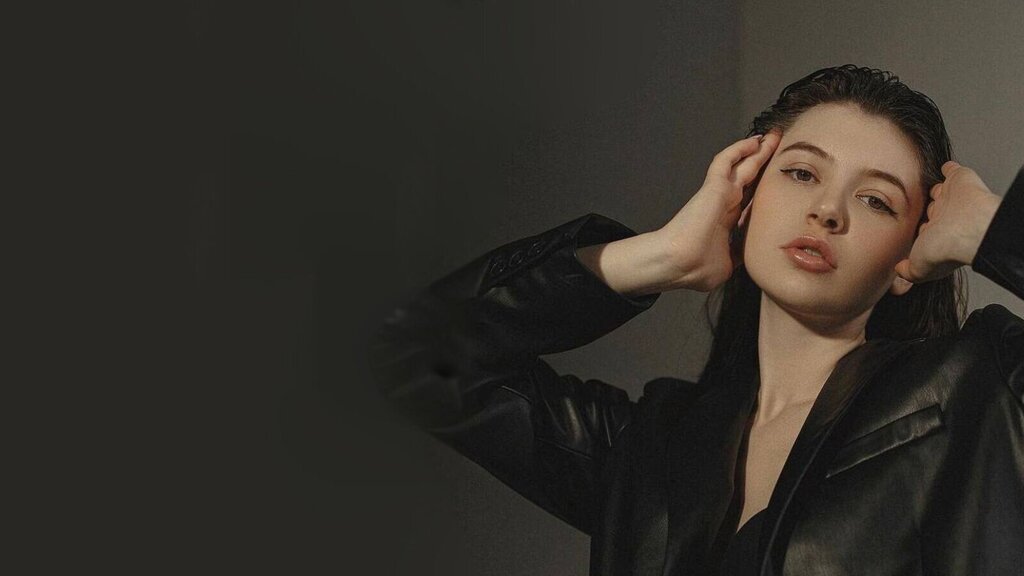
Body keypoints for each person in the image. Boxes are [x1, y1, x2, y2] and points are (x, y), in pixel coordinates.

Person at [369, 65, 1024, 575]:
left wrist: (992, 228)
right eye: (801, 173)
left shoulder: (979, 389)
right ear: (746, 201)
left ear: (910, 258)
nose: (828, 211)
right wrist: (656, 256)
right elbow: (413, 355)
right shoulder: (653, 448)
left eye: (877, 200)